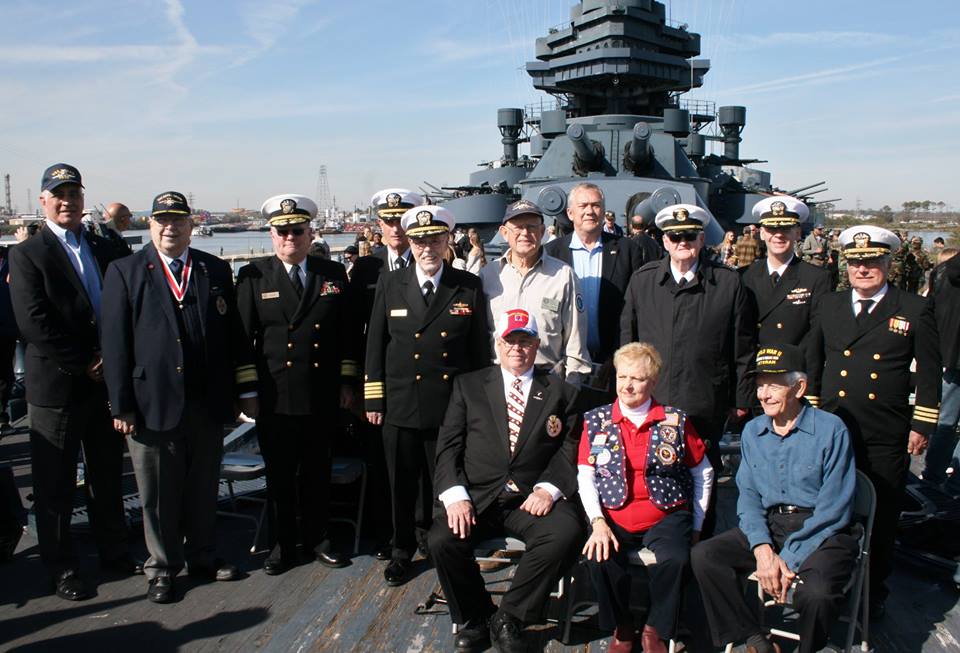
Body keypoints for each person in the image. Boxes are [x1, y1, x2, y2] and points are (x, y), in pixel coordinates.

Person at [102, 191, 259, 604]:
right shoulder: (125, 270)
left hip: (206, 401)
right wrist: (120, 405)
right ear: (150, 225)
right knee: (157, 493)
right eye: (162, 220)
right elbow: (115, 343)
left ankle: (203, 555)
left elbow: (234, 337)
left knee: (202, 485)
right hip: (151, 401)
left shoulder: (214, 269)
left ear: (191, 226)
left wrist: (243, 392)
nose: (170, 227)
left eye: (178, 220)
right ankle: (163, 567)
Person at [9, 163, 135, 601]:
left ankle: (115, 550)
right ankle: (61, 566)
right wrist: (85, 362)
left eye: (74, 194)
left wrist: (112, 362)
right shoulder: (27, 254)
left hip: (104, 383)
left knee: (106, 473)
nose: (68, 202)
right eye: (58, 194)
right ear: (43, 201)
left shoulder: (101, 247)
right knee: (55, 484)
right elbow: (34, 323)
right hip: (58, 386)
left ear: (84, 199)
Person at [429, 308, 582, 653]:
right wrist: (454, 495)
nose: (517, 348)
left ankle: (510, 617)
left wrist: (549, 488)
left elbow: (570, 447)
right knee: (441, 539)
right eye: (510, 341)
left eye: (525, 341)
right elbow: (448, 446)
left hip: (530, 499)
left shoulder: (560, 392)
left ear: (537, 345)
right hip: (477, 497)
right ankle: (478, 615)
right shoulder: (469, 386)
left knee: (565, 532)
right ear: (497, 343)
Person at [806, 225, 941, 615]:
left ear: (887, 262)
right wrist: (812, 413)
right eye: (856, 263)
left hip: (885, 429)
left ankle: (872, 592)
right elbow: (814, 363)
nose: (863, 270)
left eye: (872, 262)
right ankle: (825, 583)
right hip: (834, 425)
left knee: (881, 514)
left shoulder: (912, 308)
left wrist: (922, 425)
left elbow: (930, 373)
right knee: (828, 509)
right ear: (846, 265)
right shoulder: (829, 305)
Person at [692, 344, 859, 653]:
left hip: (823, 531)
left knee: (817, 595)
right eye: (759, 385)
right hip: (772, 524)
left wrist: (788, 558)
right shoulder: (753, 431)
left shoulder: (831, 430)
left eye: (773, 384)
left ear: (799, 387)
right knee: (705, 556)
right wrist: (763, 549)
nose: (763, 394)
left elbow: (835, 509)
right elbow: (749, 498)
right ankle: (755, 638)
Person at [364, 204, 490, 586]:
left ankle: (441, 545)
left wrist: (476, 409)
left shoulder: (466, 285)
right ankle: (401, 549)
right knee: (400, 483)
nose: (427, 247)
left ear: (447, 240)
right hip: (401, 402)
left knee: (445, 481)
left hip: (449, 405)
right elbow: (375, 344)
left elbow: (478, 355)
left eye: (435, 239)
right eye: (419, 240)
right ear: (411, 243)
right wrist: (374, 399)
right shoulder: (391, 283)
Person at [235, 194, 358, 575]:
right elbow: (241, 340)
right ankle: (283, 543)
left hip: (321, 392)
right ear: (271, 234)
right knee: (281, 476)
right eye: (283, 231)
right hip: (275, 395)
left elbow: (347, 335)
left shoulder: (332, 275)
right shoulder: (254, 276)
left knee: (319, 471)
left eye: (298, 231)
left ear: (310, 234)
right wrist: (248, 392)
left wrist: (348, 381)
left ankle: (319, 539)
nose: (291, 237)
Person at [620, 204, 756, 534]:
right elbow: (627, 341)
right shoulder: (643, 282)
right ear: (664, 241)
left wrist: (741, 400)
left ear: (701, 239)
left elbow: (743, 348)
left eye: (690, 236)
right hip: (653, 402)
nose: (683, 242)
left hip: (703, 402)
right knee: (649, 478)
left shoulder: (727, 284)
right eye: (675, 236)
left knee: (702, 482)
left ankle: (700, 548)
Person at [579, 342, 713, 653]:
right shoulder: (596, 420)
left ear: (652, 382)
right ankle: (623, 626)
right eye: (622, 377)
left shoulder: (675, 421)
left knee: (676, 560)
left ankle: (656, 627)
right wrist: (597, 522)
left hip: (665, 514)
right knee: (599, 559)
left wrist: (696, 525)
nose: (627, 385)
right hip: (613, 515)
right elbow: (585, 476)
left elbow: (702, 473)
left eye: (637, 379)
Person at [350, 188, 425, 560]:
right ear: (378, 225)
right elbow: (358, 334)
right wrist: (365, 390)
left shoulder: (432, 261)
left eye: (402, 220)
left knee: (424, 466)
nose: (396, 228)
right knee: (382, 464)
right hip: (383, 383)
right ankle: (388, 534)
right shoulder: (366, 269)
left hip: (424, 385)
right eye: (389, 221)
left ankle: (422, 530)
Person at [480, 200, 591, 386]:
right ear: (504, 233)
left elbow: (575, 339)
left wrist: (572, 387)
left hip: (547, 381)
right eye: (518, 227)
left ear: (542, 232)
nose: (525, 233)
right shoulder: (488, 275)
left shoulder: (563, 276)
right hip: (498, 380)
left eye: (532, 227)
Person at [545, 183, 647, 382]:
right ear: (570, 213)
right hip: (563, 365)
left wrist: (620, 357)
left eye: (596, 205)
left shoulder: (628, 250)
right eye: (583, 206)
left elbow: (637, 309)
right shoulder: (552, 253)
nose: (590, 211)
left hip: (614, 364)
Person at [740, 196, 830, 387]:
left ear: (797, 233)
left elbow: (815, 339)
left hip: (792, 378)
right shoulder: (744, 276)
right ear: (762, 233)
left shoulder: (816, 278)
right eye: (772, 229)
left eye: (785, 229)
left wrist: (811, 387)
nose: (778, 235)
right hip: (755, 376)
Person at [924, 248, 960, 496]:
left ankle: (932, 478)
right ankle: (954, 483)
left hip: (949, 356)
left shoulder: (941, 273)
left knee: (945, 423)